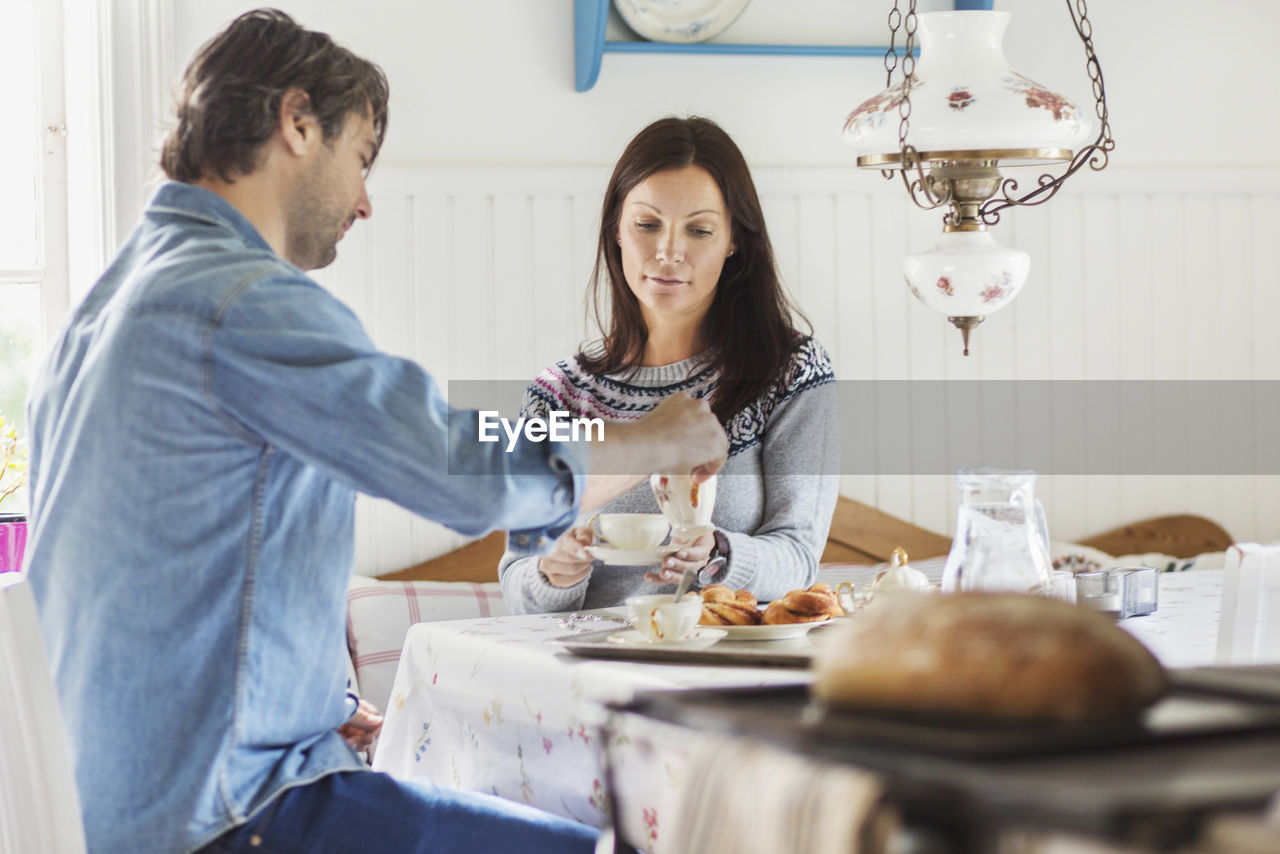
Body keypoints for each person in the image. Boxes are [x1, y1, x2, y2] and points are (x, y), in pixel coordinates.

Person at [23, 11, 725, 854]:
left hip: (138, 805)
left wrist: (315, 708)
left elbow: (170, 571)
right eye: (360, 159)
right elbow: (464, 466)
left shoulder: (103, 309)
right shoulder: (240, 303)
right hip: (231, 819)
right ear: (296, 123)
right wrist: (653, 440)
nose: (363, 200)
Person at [499, 116, 840, 614]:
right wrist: (551, 572)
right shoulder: (560, 394)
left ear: (733, 242)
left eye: (699, 230)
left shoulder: (790, 372)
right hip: (590, 671)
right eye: (646, 224)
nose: (668, 252)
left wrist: (718, 552)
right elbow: (518, 572)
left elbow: (799, 555)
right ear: (616, 228)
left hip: (726, 670)